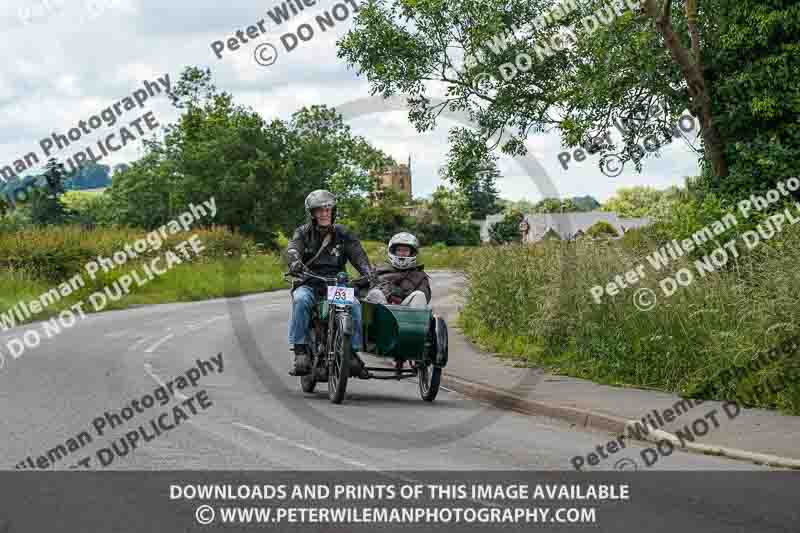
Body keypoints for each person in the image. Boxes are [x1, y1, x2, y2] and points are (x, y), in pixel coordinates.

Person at [286, 190, 375, 376]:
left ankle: (352, 351)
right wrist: (294, 261)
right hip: (310, 282)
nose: (324, 213)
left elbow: (358, 255)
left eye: (328, 209)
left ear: (333, 211)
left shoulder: (343, 234)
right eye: (319, 210)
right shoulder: (302, 233)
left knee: (355, 304)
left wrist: (368, 272)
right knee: (300, 300)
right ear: (312, 213)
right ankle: (300, 350)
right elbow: (293, 249)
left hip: (336, 285)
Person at [366, 232, 431, 308]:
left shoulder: (420, 275)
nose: (402, 253)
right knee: (375, 293)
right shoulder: (379, 270)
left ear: (412, 252)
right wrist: (389, 292)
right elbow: (367, 287)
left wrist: (402, 294)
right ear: (393, 251)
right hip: (383, 310)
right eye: (399, 250)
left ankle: (414, 320)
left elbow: (425, 296)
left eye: (405, 250)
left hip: (407, 311)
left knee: (419, 295)